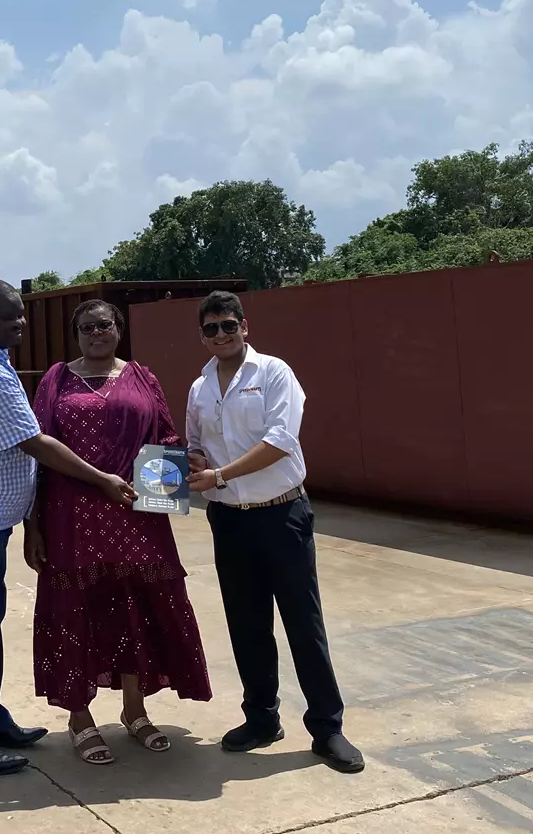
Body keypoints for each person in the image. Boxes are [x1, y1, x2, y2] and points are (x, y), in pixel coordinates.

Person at [0, 280, 137, 777]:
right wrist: (102, 479)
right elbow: (33, 442)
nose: (18, 324)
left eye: (21, 315)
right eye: (7, 317)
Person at [184, 290, 364, 774]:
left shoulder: (273, 373)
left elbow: (281, 441)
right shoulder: (199, 388)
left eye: (228, 325)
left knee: (303, 624)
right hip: (229, 520)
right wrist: (194, 462)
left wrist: (220, 476)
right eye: (211, 328)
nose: (221, 334)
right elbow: (195, 443)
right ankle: (262, 718)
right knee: (247, 624)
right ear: (202, 336)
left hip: (282, 515)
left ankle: (327, 728)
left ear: (245, 327)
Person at [26, 300, 212, 766]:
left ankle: (135, 710)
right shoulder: (56, 380)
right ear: (76, 333)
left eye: (104, 324)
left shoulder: (143, 377)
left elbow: (164, 438)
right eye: (87, 326)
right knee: (75, 613)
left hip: (136, 514)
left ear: (119, 329)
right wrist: (33, 524)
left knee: (137, 608)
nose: (96, 332)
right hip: (72, 516)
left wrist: (181, 465)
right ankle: (79, 717)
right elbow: (36, 456)